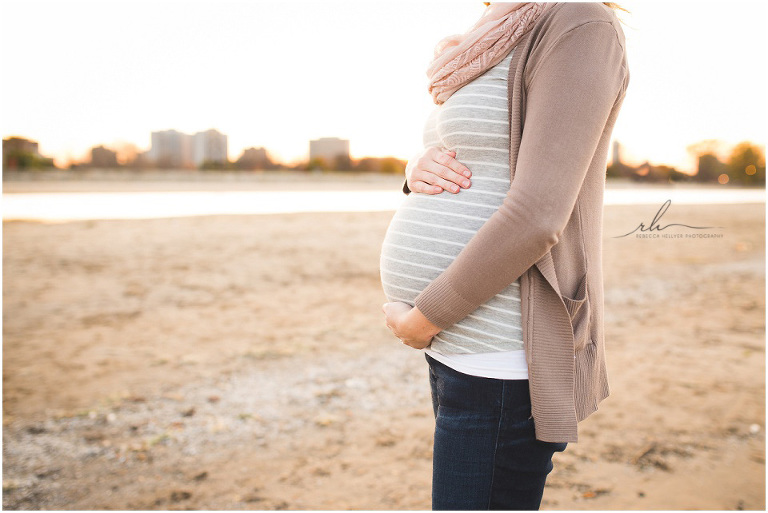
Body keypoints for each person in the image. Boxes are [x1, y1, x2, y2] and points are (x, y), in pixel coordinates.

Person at [380, 2, 630, 510]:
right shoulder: (493, 33)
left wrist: (427, 316)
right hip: (456, 345)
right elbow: (480, 156)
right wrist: (415, 172)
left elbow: (539, 214)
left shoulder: (580, 23)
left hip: (502, 352)